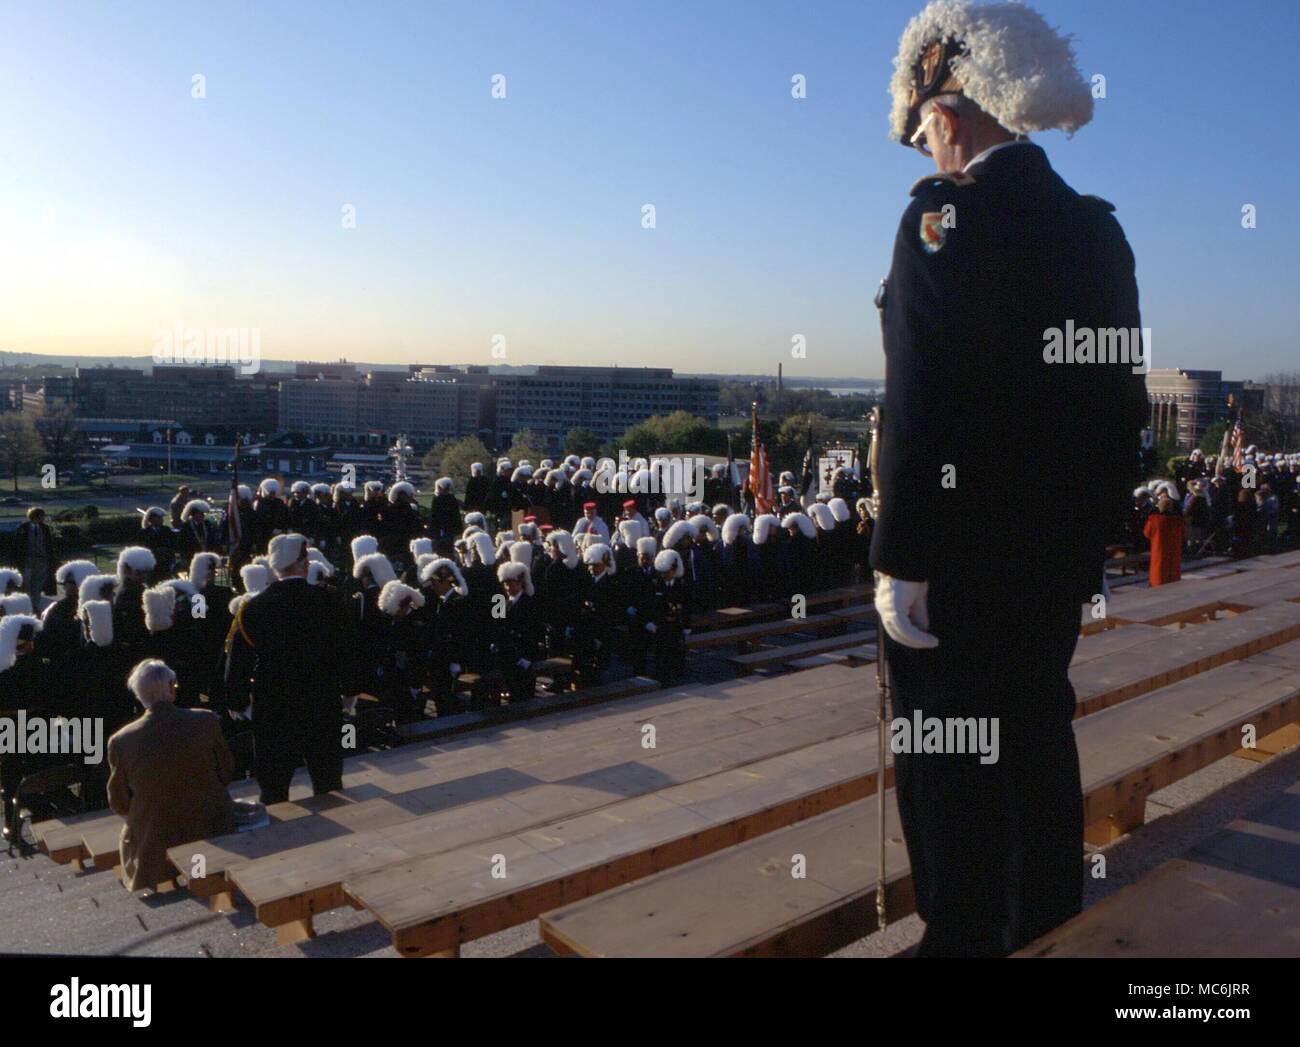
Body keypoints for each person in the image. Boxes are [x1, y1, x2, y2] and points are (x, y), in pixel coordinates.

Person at [870, 1, 1147, 956]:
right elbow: (1119, 408)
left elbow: (920, 402)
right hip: (1050, 559)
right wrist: (1087, 540)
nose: (924, 147)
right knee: (1035, 735)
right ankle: (1052, 931)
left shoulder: (943, 223)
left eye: (922, 128)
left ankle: (963, 940)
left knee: (950, 764)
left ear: (946, 110)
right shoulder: (1097, 232)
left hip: (955, 562)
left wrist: (902, 557)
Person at [222, 533, 360, 804]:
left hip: (273, 703)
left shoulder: (253, 609)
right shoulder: (329, 600)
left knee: (273, 785)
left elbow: (238, 660)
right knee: (328, 779)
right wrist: (350, 690)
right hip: (321, 698)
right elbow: (348, 649)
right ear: (304, 563)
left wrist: (237, 700)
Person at [106, 659, 237, 891]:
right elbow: (226, 772)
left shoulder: (121, 741)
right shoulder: (206, 720)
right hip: (210, 822)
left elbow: (119, 802)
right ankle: (200, 870)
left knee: (140, 826)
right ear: (169, 689)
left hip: (156, 840)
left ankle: (164, 874)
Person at [13, 507, 56, 603]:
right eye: (42, 516)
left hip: (42, 561)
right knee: (27, 583)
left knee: (39, 583)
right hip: (27, 560)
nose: (43, 518)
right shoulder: (23, 528)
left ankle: (35, 603)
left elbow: (49, 545)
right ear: (35, 516)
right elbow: (17, 545)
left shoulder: (45, 528)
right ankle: (27, 603)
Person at [1144, 495, 1185, 586]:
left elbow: (1147, 533)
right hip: (1174, 551)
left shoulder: (1154, 520)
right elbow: (1184, 533)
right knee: (1173, 570)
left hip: (1159, 550)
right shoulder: (1178, 521)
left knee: (1159, 571)